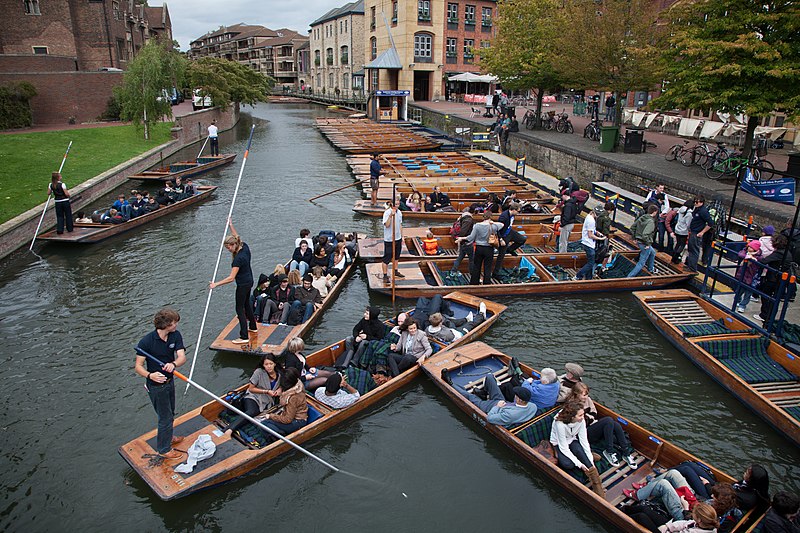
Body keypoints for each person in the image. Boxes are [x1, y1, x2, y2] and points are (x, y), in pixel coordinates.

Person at [134, 308, 187, 459]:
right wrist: (150, 375)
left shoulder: (175, 336)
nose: (176, 325)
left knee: (170, 413)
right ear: (165, 325)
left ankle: (169, 436)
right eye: (173, 323)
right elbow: (138, 366)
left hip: (169, 382)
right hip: (156, 386)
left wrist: (174, 364)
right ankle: (164, 449)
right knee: (164, 417)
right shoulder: (146, 342)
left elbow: (182, 356)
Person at [566, 383, 637, 468]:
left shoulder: (588, 400)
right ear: (576, 394)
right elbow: (579, 422)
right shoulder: (572, 405)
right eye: (583, 395)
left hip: (592, 425)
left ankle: (626, 453)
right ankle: (609, 451)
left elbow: (594, 413)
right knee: (608, 420)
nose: (586, 397)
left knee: (616, 425)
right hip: (582, 432)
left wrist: (588, 417)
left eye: (587, 394)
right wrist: (589, 418)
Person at [210, 221, 258, 346]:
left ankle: (244, 336)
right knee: (247, 304)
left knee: (239, 309)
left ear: (233, 245)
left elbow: (231, 278)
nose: (228, 250)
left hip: (242, 285)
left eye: (228, 247)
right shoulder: (244, 247)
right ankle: (253, 326)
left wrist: (216, 284)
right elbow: (237, 236)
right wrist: (231, 225)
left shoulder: (238, 259)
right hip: (249, 281)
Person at [443, 371, 537, 428]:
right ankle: (483, 393)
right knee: (490, 378)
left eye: (516, 395)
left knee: (471, 397)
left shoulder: (510, 415)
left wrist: (497, 407)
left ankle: (450, 384)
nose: (515, 396)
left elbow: (490, 418)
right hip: (503, 403)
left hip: (492, 408)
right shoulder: (533, 406)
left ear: (520, 400)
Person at [224, 354, 282, 437]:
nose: (269, 366)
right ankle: (230, 429)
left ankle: (232, 427)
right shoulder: (259, 372)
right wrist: (266, 391)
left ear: (275, 364)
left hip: (267, 401)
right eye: (266, 364)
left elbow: (283, 384)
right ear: (263, 365)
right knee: (252, 412)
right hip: (253, 396)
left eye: (271, 364)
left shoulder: (280, 374)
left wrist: (279, 389)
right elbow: (251, 388)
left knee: (255, 413)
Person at [624, 470, 695, 522]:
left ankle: (637, 495)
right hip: (694, 502)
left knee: (663, 484)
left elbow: (689, 524)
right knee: (673, 473)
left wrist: (686, 508)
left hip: (684, 515)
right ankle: (649, 485)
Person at [550, 400, 596, 480]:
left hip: (571, 440)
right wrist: (580, 464)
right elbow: (563, 447)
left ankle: (593, 475)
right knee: (568, 464)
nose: (583, 417)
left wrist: (591, 461)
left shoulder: (581, 420)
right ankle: (581, 460)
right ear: (572, 417)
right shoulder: (559, 424)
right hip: (558, 444)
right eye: (580, 415)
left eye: (583, 414)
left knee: (579, 451)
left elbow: (584, 441)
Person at [457, 211, 503, 285]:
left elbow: (471, 238)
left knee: (476, 266)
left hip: (479, 248)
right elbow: (502, 225)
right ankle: (486, 283)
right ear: (490, 217)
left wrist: (462, 238)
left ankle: (474, 282)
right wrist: (493, 223)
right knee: (487, 267)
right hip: (489, 248)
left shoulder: (477, 225)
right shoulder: (494, 226)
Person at [258, 367, 308, 436]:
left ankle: (280, 437)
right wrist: (280, 389)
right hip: (290, 414)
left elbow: (287, 419)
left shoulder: (292, 398)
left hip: (297, 421)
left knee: (264, 424)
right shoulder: (297, 383)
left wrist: (270, 416)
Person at [754, 234, 791, 324]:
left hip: (773, 279)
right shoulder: (787, 253)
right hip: (782, 279)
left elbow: (764, 261)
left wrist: (755, 258)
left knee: (766, 295)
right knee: (775, 299)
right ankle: (769, 316)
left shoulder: (778, 253)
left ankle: (765, 315)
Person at [492, 202, 527, 280]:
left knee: (522, 239)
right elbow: (497, 229)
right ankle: (495, 273)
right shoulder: (504, 217)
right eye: (518, 211)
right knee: (501, 255)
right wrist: (500, 239)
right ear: (513, 210)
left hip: (509, 232)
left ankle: (510, 249)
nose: (518, 213)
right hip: (503, 235)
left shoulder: (512, 215)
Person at [574, 206, 606, 280]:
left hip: (586, 242)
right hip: (588, 244)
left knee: (590, 262)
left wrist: (597, 232)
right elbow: (590, 235)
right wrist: (601, 238)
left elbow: (591, 230)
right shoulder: (591, 221)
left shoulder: (588, 217)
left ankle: (589, 278)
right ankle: (578, 276)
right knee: (591, 263)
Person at [628, 204, 659, 278]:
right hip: (644, 243)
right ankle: (629, 277)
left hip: (639, 241)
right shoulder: (651, 222)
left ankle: (650, 269)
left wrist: (634, 238)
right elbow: (645, 234)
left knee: (653, 252)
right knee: (641, 263)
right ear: (654, 212)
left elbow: (632, 228)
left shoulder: (642, 217)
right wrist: (648, 244)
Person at [686, 196, 713, 272]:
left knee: (694, 251)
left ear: (701, 202)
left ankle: (692, 268)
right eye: (694, 201)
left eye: (697, 202)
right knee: (690, 249)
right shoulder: (696, 209)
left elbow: (710, 223)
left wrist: (702, 232)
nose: (695, 203)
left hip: (696, 233)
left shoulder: (703, 211)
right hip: (692, 231)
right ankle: (689, 265)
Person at [734, 240, 762, 312]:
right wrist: (748, 256)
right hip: (742, 275)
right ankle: (737, 301)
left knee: (748, 293)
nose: (749, 248)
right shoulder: (745, 251)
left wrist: (753, 259)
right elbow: (740, 254)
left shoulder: (758, 256)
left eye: (751, 247)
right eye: (749, 246)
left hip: (751, 276)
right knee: (739, 290)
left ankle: (742, 305)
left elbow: (760, 262)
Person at [380, 201, 404, 282]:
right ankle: (385, 275)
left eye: (398, 204)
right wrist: (391, 216)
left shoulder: (399, 212)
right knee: (387, 257)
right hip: (389, 239)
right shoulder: (387, 213)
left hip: (398, 238)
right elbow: (387, 225)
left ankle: (395, 271)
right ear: (391, 205)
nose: (396, 206)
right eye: (395, 204)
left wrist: (402, 236)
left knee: (397, 256)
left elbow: (400, 224)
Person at [450, 208, 475, 273]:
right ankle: (472, 273)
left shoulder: (462, 219)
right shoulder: (468, 220)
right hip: (467, 243)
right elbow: (463, 232)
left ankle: (453, 270)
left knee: (460, 257)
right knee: (471, 259)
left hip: (462, 243)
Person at [671, 199, 694, 264]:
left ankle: (673, 256)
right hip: (684, 231)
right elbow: (688, 224)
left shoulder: (680, 209)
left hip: (677, 229)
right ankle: (676, 256)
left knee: (678, 243)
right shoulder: (689, 214)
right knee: (682, 245)